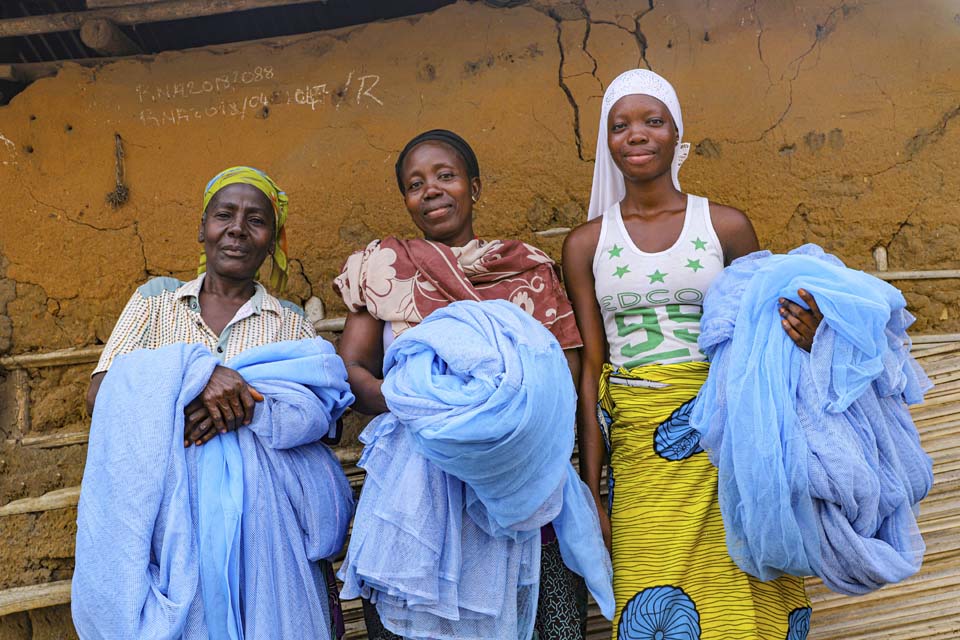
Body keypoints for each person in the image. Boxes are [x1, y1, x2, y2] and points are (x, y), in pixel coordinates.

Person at [561, 70, 821, 639]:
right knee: (648, 588)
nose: (637, 135)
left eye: (653, 121)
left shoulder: (725, 226)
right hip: (640, 455)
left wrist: (806, 332)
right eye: (620, 125)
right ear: (606, 142)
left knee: (747, 595)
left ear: (677, 133)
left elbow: (766, 340)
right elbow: (591, 373)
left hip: (729, 440)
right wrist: (591, 491)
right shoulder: (585, 243)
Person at [334, 129, 592, 639]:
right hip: (416, 496)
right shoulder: (383, 271)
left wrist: (492, 418)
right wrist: (424, 406)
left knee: (549, 625)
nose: (430, 190)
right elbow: (350, 371)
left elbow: (566, 378)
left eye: (445, 176)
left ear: (474, 188)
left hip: (517, 484)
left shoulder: (526, 272)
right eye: (415, 183)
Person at [82, 166, 349, 639]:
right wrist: (196, 376)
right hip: (171, 516)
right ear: (202, 228)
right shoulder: (155, 303)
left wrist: (248, 405)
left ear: (272, 240)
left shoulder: (289, 323)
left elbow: (322, 418)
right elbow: (100, 393)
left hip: (265, 530)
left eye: (256, 220)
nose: (237, 229)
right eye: (224, 214)